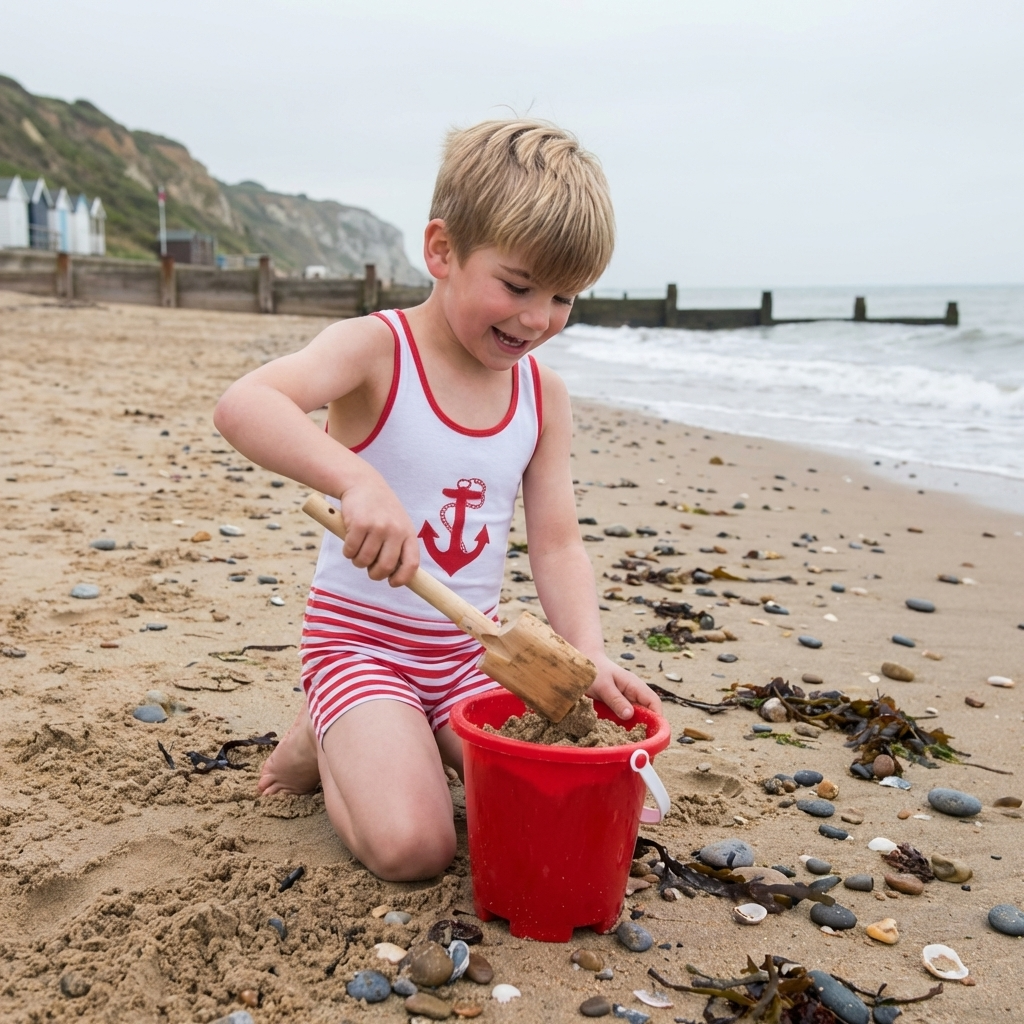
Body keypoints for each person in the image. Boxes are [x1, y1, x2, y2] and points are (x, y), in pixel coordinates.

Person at [213, 119, 662, 882]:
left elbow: (556, 543)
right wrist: (358, 479)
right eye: (517, 286)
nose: (536, 318)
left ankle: (377, 734)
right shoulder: (375, 349)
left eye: (564, 298)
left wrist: (586, 652)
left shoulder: (542, 396)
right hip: (361, 645)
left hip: (471, 652)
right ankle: (328, 732)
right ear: (442, 251)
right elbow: (245, 404)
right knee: (418, 848)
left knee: (601, 791)